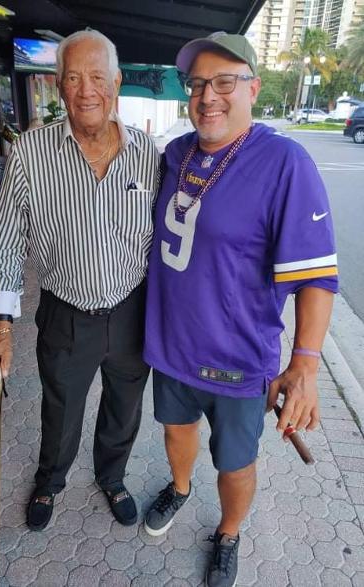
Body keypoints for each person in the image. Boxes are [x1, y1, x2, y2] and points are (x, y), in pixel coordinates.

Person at [143, 32, 338, 587]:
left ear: (252, 87)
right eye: (198, 84)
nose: (209, 96)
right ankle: (179, 488)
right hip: (171, 347)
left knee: (234, 463)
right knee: (176, 435)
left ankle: (228, 532)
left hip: (238, 361)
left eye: (224, 83)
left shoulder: (285, 163)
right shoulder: (176, 154)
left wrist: (304, 363)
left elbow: (317, 276)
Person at [0, 29, 160, 531]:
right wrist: (2, 327)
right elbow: (7, 243)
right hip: (66, 313)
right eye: (74, 78)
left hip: (132, 310)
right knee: (60, 410)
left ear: (117, 82)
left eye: (97, 77)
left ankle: (113, 476)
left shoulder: (150, 155)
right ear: (58, 85)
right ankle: (51, 480)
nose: (86, 90)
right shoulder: (31, 154)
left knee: (124, 408)